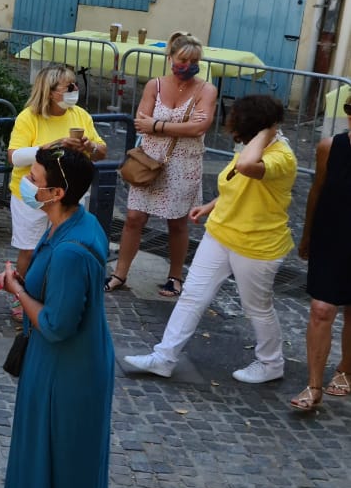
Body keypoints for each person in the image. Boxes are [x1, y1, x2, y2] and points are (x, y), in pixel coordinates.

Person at [0, 146, 112, 488]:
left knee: (52, 456)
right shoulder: (77, 222)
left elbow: (57, 324)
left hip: (63, 366)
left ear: (57, 192)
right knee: (70, 455)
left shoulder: (70, 250)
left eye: (35, 179)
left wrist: (18, 292)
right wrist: (21, 280)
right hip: (74, 359)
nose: (27, 183)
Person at [123, 95, 295, 385]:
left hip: (256, 246)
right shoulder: (253, 146)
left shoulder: (281, 157)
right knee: (192, 295)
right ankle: (164, 358)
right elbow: (238, 183)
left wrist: (267, 131)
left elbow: (246, 168)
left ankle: (271, 363)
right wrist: (211, 205)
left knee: (256, 307)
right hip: (220, 234)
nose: (231, 128)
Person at [106, 33, 217, 297]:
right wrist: (174, 127)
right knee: (134, 218)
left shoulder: (206, 90)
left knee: (176, 222)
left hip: (184, 163)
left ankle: (175, 277)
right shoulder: (154, 86)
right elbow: (140, 121)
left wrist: (156, 125)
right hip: (150, 161)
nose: (188, 65)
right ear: (170, 58)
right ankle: (119, 274)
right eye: (183, 60)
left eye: (194, 61)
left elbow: (199, 127)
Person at [6, 64, 106, 281]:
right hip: (33, 195)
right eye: (69, 87)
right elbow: (14, 156)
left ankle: (50, 291)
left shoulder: (81, 115)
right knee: (30, 250)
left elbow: (101, 151)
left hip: (69, 195)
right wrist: (52, 146)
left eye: (75, 84)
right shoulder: (28, 117)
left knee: (63, 248)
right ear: (50, 92)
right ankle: (20, 294)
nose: (75, 89)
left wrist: (89, 147)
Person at [294, 95, 351, 411]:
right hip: (331, 236)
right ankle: (314, 385)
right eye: (350, 110)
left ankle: (345, 369)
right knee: (321, 309)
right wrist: (307, 235)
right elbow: (317, 191)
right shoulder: (329, 147)